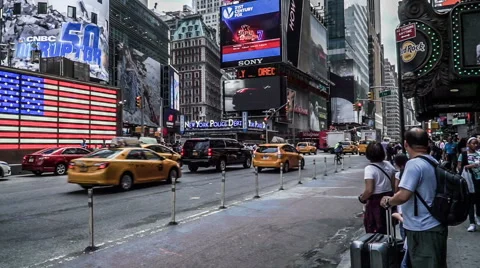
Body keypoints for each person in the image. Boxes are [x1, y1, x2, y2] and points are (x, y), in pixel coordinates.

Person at [380, 128, 447, 268]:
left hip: (423, 228)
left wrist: (388, 201)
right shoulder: (431, 161)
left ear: (406, 144)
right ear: (427, 143)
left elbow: (403, 195)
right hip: (433, 224)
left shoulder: (413, 164)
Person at [358, 142, 396, 234]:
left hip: (375, 203)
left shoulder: (369, 168)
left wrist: (362, 198)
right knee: (388, 227)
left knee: (374, 229)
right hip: (388, 200)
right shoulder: (389, 165)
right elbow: (394, 184)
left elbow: (369, 190)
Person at [458, 137, 480, 232]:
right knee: (470, 202)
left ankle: (478, 215)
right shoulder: (463, 154)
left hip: (479, 179)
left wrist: (473, 165)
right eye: (473, 143)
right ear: (468, 144)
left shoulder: (479, 154)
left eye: (476, 143)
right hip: (469, 180)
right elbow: (459, 167)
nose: (475, 145)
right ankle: (472, 223)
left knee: (479, 200)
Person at [392, 153, 409, 268]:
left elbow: (396, 189)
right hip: (410, 207)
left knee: (404, 231)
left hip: (402, 207)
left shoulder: (399, 174)